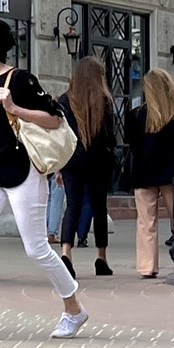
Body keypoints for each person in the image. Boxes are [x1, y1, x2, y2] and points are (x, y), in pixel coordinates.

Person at [0, 16, 85, 338]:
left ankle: (74, 309)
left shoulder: (19, 79)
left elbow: (55, 120)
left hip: (21, 171)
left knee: (36, 248)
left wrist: (14, 107)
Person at [56, 55, 117, 276]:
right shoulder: (104, 100)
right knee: (99, 208)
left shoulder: (65, 100)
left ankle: (66, 253)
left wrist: (60, 165)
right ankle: (101, 258)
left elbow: (61, 134)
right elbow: (110, 135)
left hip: (72, 160)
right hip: (99, 161)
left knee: (72, 205)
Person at [126, 68, 174, 278]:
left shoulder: (135, 115)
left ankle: (147, 266)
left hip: (143, 171)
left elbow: (132, 145)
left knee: (146, 222)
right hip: (169, 171)